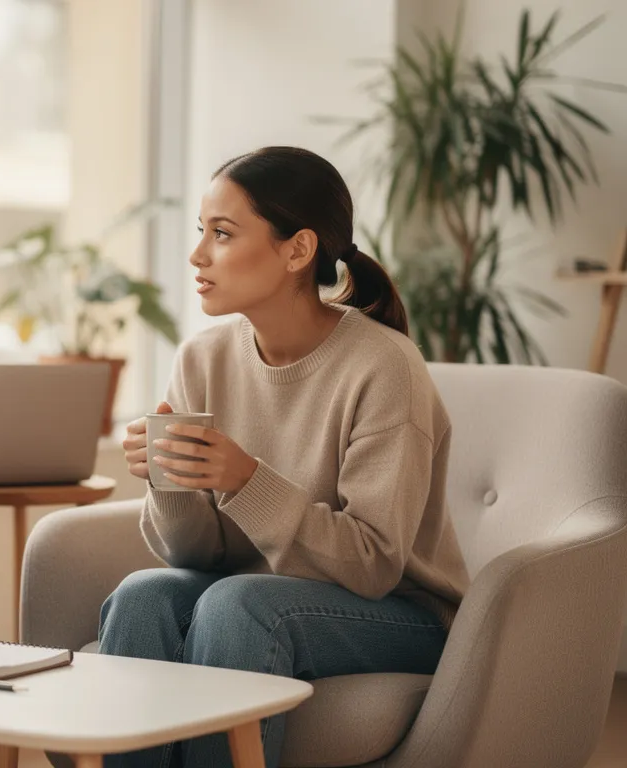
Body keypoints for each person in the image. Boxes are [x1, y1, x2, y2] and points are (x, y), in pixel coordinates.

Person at [101, 146, 470, 768]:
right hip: (262, 593)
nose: (197, 256)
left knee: (236, 604)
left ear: (297, 250)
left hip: (402, 614)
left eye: (222, 234)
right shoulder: (202, 358)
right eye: (202, 232)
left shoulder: (383, 367)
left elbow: (375, 564)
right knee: (143, 595)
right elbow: (196, 556)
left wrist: (246, 480)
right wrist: (170, 480)